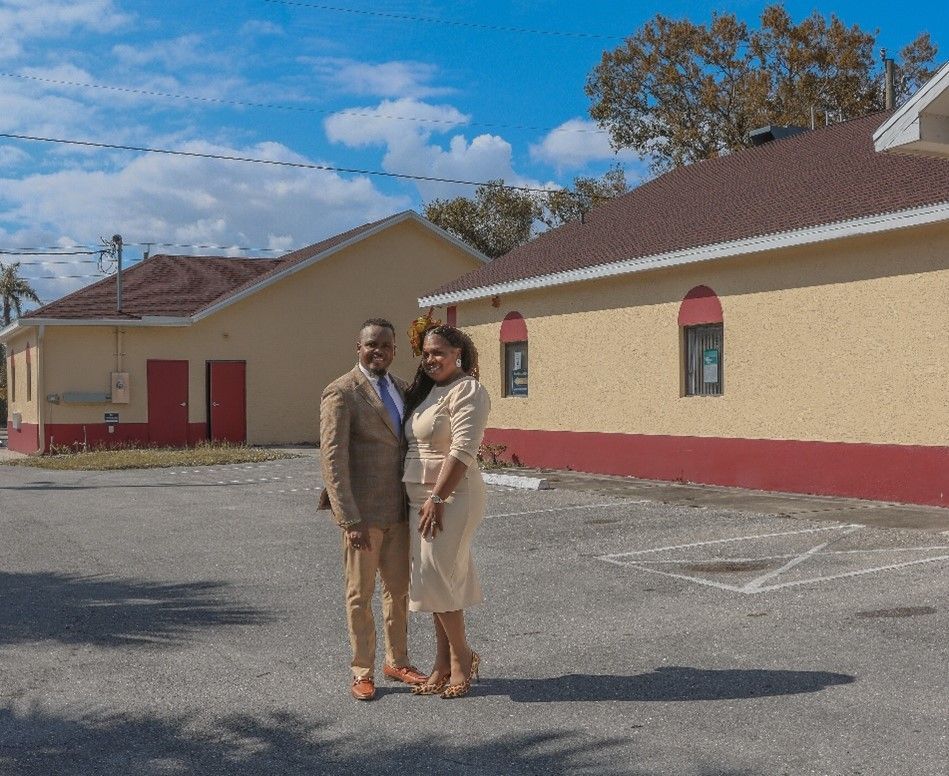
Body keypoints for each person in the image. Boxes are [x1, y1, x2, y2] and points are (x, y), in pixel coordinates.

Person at [319, 319, 427, 701]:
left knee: (398, 592)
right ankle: (362, 671)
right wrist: (348, 518)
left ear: (395, 350)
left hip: (399, 511)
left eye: (385, 345)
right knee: (359, 596)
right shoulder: (341, 392)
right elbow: (332, 460)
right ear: (358, 347)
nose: (378, 350)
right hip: (362, 517)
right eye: (371, 344)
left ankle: (398, 661)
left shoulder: (401, 389)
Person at [402, 324, 491, 699]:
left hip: (450, 496)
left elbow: (463, 449)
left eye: (438, 352)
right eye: (426, 353)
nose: (430, 359)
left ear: (458, 353)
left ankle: (462, 659)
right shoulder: (428, 392)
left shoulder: (468, 390)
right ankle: (442, 662)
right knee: (434, 581)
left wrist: (437, 498)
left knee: (437, 576)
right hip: (420, 497)